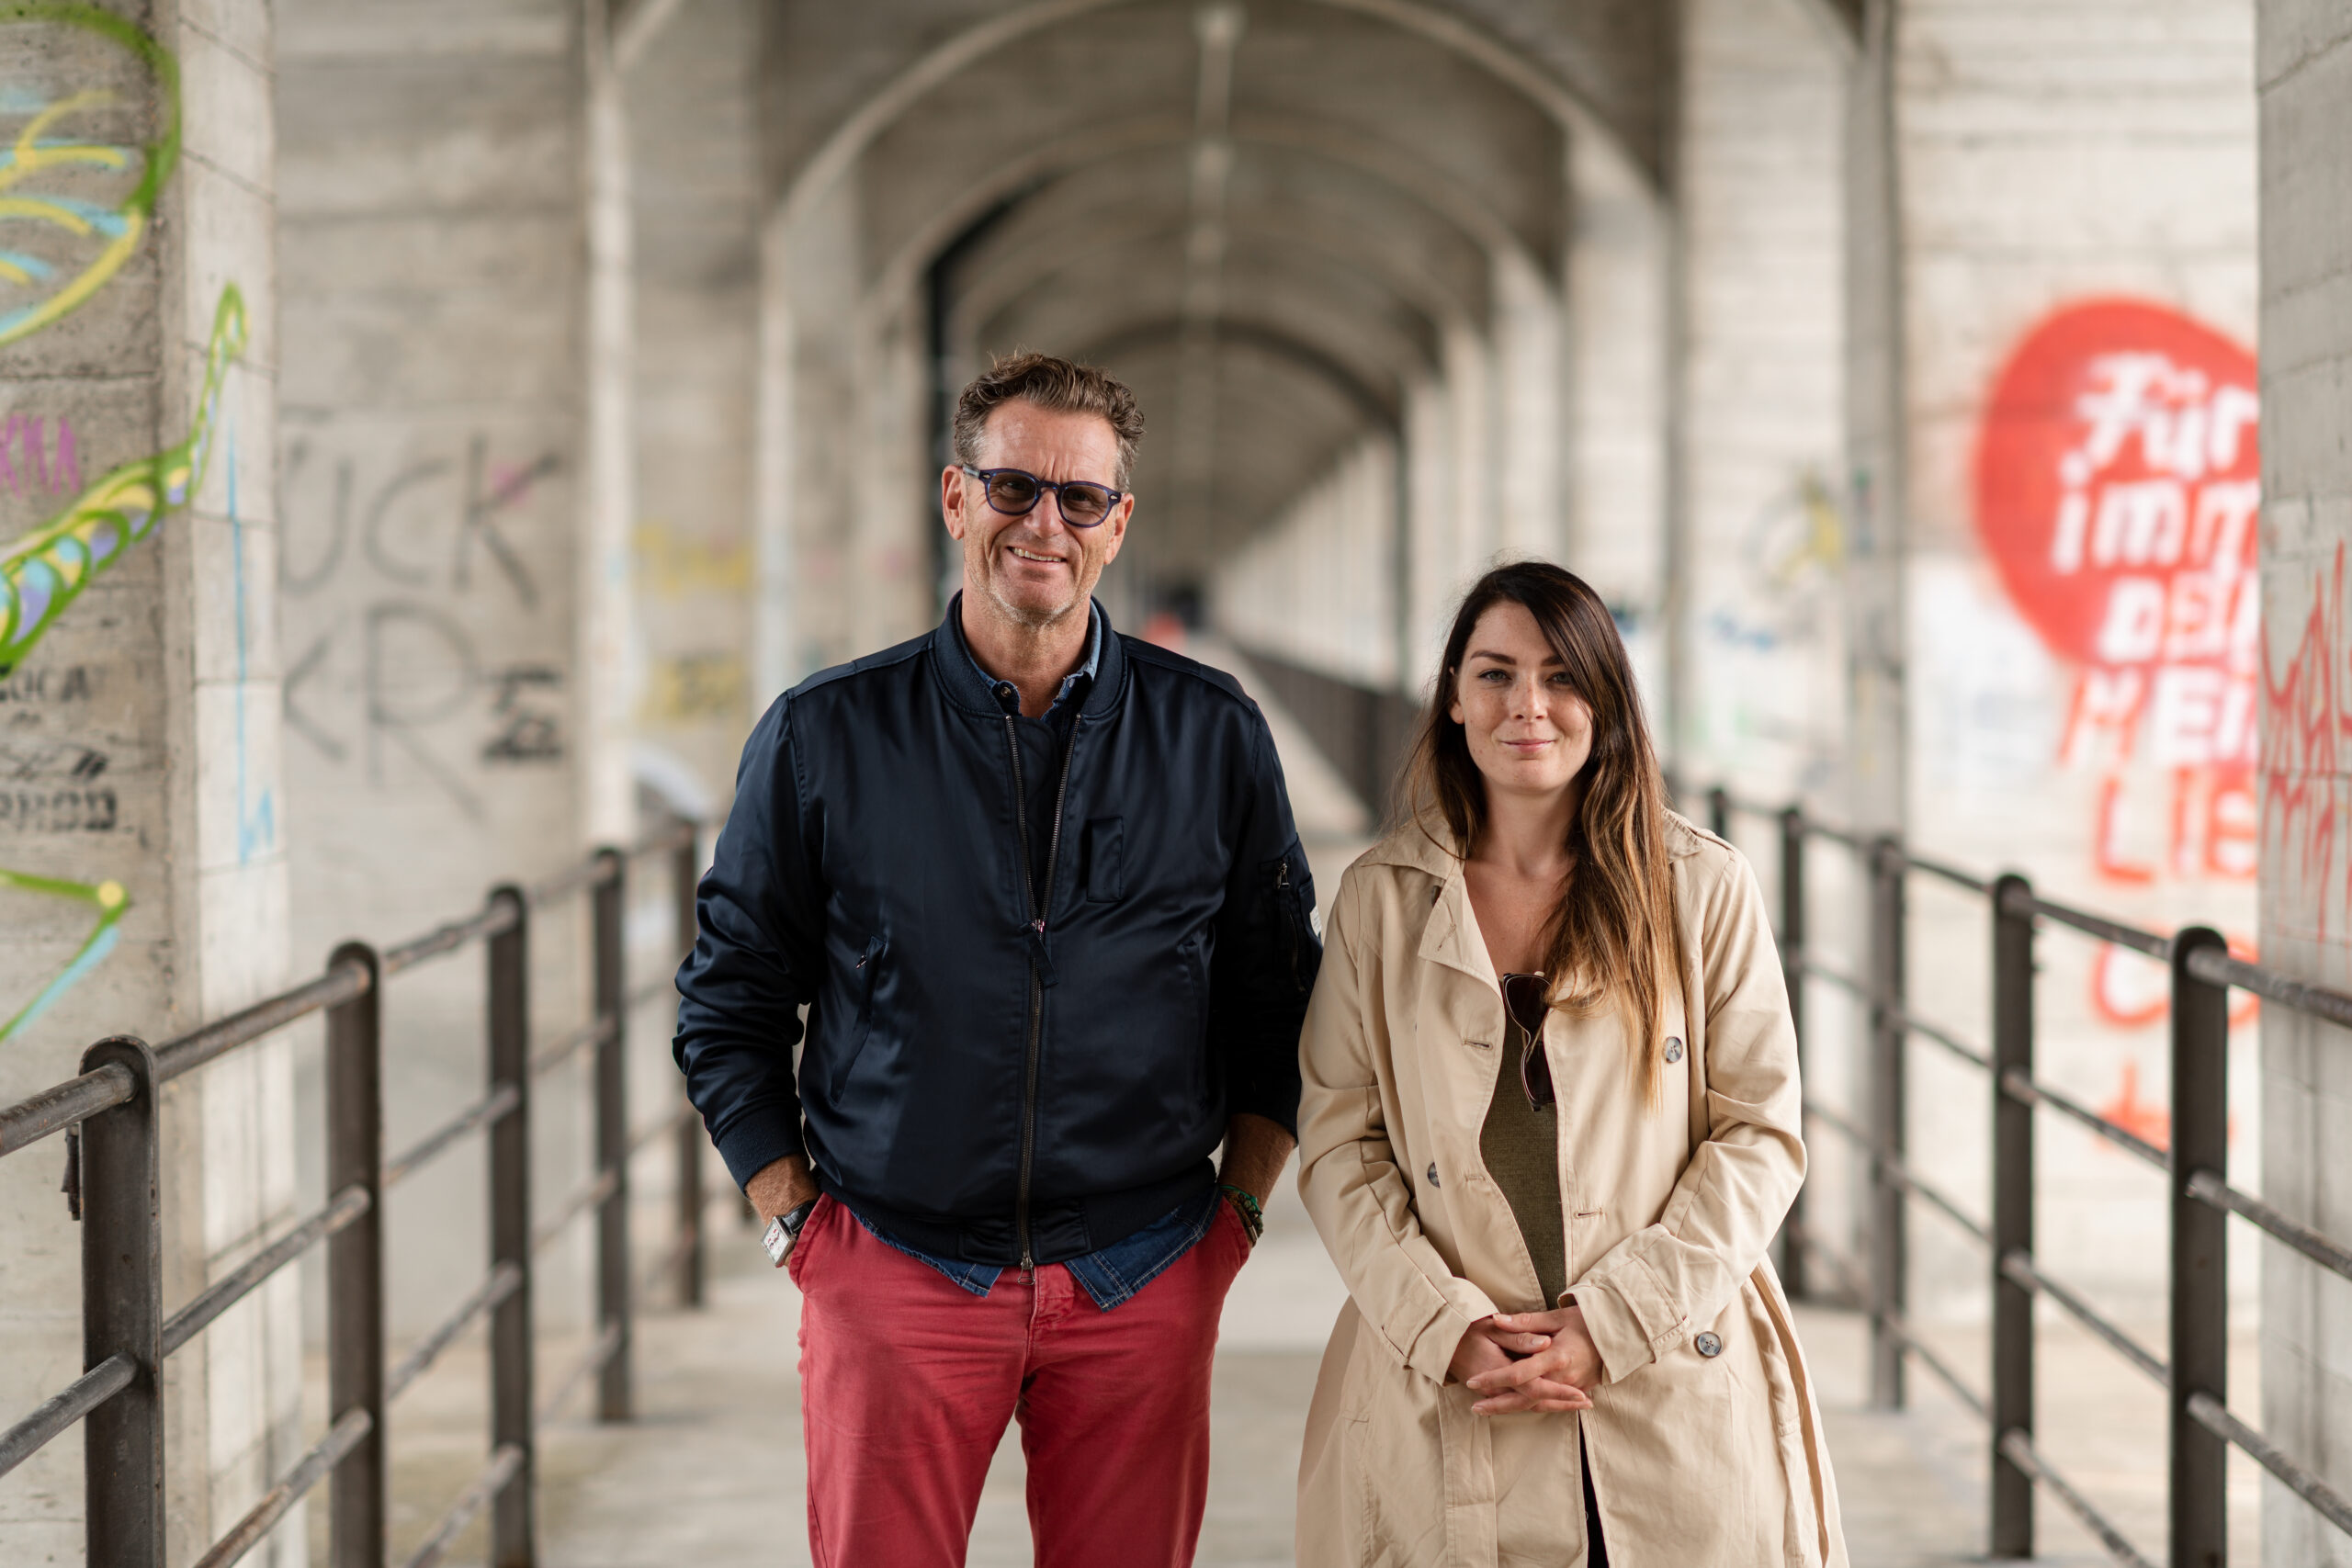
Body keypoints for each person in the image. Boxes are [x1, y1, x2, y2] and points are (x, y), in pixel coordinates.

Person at [673, 351, 1319, 1568]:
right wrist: (795, 1222)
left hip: (1144, 1267)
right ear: (956, 495)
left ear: (1119, 523)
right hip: (896, 1266)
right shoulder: (826, 733)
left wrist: (1236, 1213)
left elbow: (1279, 992)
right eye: (1013, 486)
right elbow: (730, 993)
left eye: (1081, 498)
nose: (1045, 524)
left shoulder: (1212, 731)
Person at [1293, 561, 1847, 1567]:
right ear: (1453, 698)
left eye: (1561, 677)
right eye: (1495, 675)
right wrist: (1443, 1323)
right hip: (1453, 1373)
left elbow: (1759, 1135)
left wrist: (1611, 1319)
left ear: (1606, 701)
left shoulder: (1699, 887)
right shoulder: (1379, 899)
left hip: (1668, 1364)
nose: (1528, 708)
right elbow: (1338, 1143)